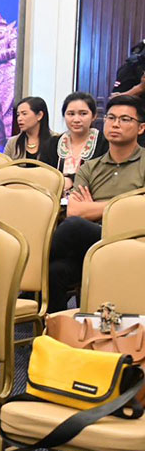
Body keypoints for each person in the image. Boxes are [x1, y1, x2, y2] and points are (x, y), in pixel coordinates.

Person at [47, 95, 145, 313]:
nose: (115, 124)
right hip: (93, 241)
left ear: (141, 128)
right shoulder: (90, 167)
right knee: (55, 270)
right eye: (111, 118)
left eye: (125, 119)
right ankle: (56, 331)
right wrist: (126, 203)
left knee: (73, 227)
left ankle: (30, 265)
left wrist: (96, 207)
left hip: (133, 239)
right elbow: (75, 210)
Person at [39, 92, 108, 192]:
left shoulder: (104, 143)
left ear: (94, 116)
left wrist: (72, 180)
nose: (76, 119)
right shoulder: (52, 144)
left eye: (83, 114)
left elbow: (105, 176)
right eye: (71, 114)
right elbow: (43, 175)